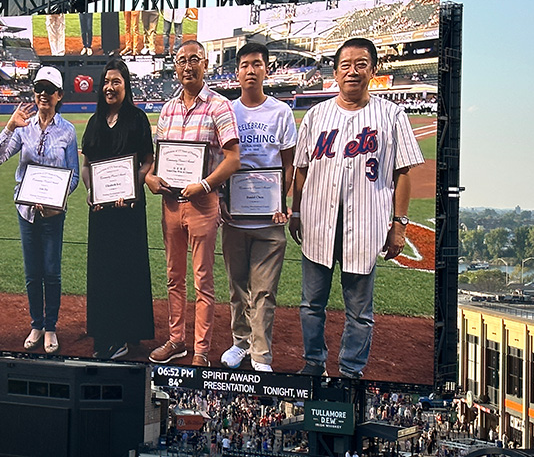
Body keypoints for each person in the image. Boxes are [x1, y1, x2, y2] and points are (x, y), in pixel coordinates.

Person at [289, 37, 424, 378]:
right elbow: (301, 169)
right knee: (310, 305)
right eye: (345, 65)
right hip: (319, 223)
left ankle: (350, 370)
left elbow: (403, 173)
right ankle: (313, 362)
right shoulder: (317, 115)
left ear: (373, 70)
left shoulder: (392, 115)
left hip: (365, 225)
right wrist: (295, 211)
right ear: (335, 72)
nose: (353, 71)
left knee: (360, 312)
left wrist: (400, 224)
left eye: (361, 64)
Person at [146, 40, 241, 367]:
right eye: (182, 61)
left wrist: (204, 185)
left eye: (194, 60)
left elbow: (233, 159)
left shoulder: (219, 105)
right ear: (176, 67)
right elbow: (160, 161)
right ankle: (176, 341)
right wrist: (150, 178)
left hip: (203, 202)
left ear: (205, 64)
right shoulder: (169, 108)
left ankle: (200, 348)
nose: (188, 66)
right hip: (171, 204)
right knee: (174, 276)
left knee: (202, 279)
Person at [0, 66, 79, 354]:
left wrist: (56, 199)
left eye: (49, 90)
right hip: (26, 211)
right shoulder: (24, 127)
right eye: (39, 89)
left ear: (59, 95)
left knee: (51, 272)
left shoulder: (68, 131)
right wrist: (9, 127)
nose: (43, 94)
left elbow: (74, 176)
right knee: (32, 273)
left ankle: (50, 326)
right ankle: (36, 324)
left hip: (53, 214)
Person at [219, 43, 297, 372]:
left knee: (264, 291)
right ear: (236, 72)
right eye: (245, 65)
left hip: (269, 218)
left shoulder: (281, 113)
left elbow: (289, 163)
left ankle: (261, 354)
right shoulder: (227, 111)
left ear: (267, 69)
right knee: (238, 287)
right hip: (235, 217)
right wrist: (221, 200)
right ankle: (240, 342)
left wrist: (283, 201)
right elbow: (219, 159)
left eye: (257, 64)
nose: (251, 70)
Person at [81, 59, 155, 359]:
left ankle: (125, 334)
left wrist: (133, 185)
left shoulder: (137, 119)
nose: (110, 88)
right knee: (102, 271)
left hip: (129, 209)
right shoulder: (95, 121)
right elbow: (86, 165)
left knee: (127, 270)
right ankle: (105, 333)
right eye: (107, 82)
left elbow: (149, 160)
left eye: (116, 82)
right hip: (101, 211)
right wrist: (91, 191)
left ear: (126, 86)